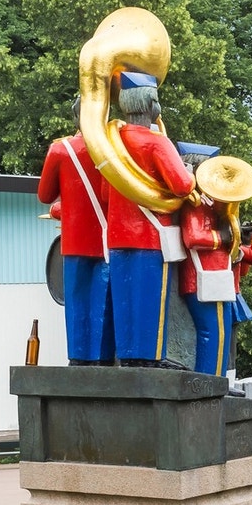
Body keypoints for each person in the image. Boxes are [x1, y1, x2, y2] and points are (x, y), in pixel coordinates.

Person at [104, 71, 196, 368]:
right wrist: (191, 174)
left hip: (117, 234)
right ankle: (149, 357)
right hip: (151, 234)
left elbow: (106, 191)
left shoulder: (111, 142)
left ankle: (127, 356)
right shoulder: (156, 143)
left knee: (123, 298)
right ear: (151, 103)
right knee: (150, 301)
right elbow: (182, 185)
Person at [36, 100, 114, 365]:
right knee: (105, 300)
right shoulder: (113, 149)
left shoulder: (60, 150)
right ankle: (104, 357)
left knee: (76, 300)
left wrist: (64, 207)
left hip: (75, 241)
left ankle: (79, 358)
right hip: (108, 239)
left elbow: (45, 195)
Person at [180, 155, 252, 377]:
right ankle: (208, 381)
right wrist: (223, 236)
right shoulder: (196, 205)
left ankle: (217, 382)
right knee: (211, 333)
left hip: (218, 280)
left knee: (221, 335)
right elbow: (193, 237)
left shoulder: (216, 209)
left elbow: (246, 259)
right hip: (203, 278)